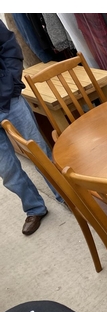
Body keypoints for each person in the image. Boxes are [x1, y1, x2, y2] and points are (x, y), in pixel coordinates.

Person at [0, 19, 64, 235]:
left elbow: (8, 46)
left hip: (8, 100)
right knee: (7, 170)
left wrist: (9, 86)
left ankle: (65, 196)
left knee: (38, 151)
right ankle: (35, 208)